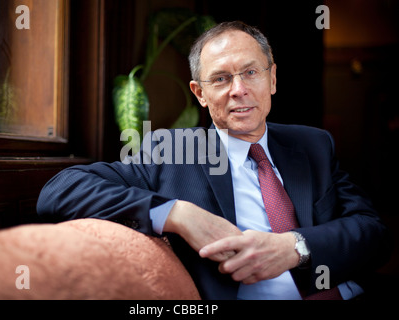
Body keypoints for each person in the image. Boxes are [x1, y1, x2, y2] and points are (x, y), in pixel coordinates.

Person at [37, 21, 391, 300]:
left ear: (273, 79)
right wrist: (177, 214)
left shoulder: (313, 144)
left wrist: (295, 247)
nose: (239, 89)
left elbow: (373, 233)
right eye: (221, 78)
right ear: (200, 94)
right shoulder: (171, 150)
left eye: (251, 72)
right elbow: (59, 191)